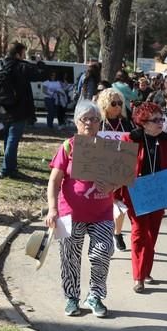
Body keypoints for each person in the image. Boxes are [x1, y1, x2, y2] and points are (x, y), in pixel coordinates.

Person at [44, 100, 116, 317]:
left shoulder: (109, 148)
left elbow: (121, 178)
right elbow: (54, 181)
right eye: (86, 119)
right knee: (69, 256)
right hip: (70, 213)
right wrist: (52, 209)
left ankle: (95, 295)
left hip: (102, 213)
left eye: (95, 120)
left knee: (102, 252)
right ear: (77, 122)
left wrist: (113, 185)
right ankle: (72, 297)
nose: (91, 124)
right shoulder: (68, 147)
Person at [119, 103, 167, 293]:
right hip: (136, 193)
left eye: (162, 119)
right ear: (143, 122)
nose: (161, 123)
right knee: (138, 233)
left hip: (158, 192)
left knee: (152, 234)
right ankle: (138, 276)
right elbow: (120, 169)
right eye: (156, 120)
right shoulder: (130, 139)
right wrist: (115, 195)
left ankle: (145, 268)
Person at [0, 42, 45, 179]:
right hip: (19, 109)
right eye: (24, 53)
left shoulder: (1, 65)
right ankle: (6, 170)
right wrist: (40, 62)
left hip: (3, 109)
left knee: (8, 139)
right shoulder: (21, 67)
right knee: (12, 140)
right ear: (18, 54)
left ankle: (10, 167)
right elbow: (41, 75)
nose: (25, 56)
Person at [97, 88, 134, 252]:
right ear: (105, 104)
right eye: (114, 103)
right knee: (106, 205)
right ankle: (107, 236)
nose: (118, 106)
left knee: (120, 207)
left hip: (121, 168)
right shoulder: (98, 122)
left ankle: (117, 233)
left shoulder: (127, 123)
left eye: (120, 103)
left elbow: (133, 144)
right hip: (102, 169)